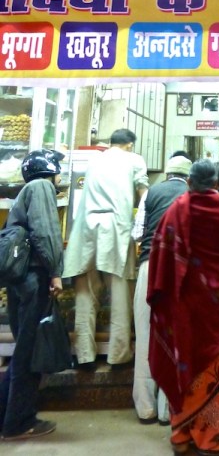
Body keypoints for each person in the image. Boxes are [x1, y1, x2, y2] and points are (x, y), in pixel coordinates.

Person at [148, 159, 219, 456]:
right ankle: (211, 439)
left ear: (189, 182)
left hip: (184, 309)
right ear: (216, 184)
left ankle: (181, 435)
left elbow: (161, 254)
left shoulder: (176, 210)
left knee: (183, 364)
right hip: (218, 310)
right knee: (213, 370)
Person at [63, 128, 149, 370]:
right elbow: (145, 197)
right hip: (116, 229)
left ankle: (84, 356)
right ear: (130, 145)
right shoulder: (134, 160)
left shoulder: (95, 160)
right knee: (120, 295)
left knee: (85, 294)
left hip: (85, 230)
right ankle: (118, 356)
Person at [0, 149, 64, 441]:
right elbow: (45, 232)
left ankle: (6, 414)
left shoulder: (26, 191)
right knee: (29, 351)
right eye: (58, 167)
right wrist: (55, 272)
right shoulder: (41, 187)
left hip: (21, 279)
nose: (60, 173)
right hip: (33, 279)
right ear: (48, 169)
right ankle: (18, 422)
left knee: (23, 350)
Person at [132, 155, 191, 425]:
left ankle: (145, 408)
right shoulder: (192, 195)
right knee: (174, 339)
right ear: (188, 176)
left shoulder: (151, 193)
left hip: (149, 266)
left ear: (167, 174)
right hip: (179, 271)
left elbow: (136, 233)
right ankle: (168, 410)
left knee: (145, 335)